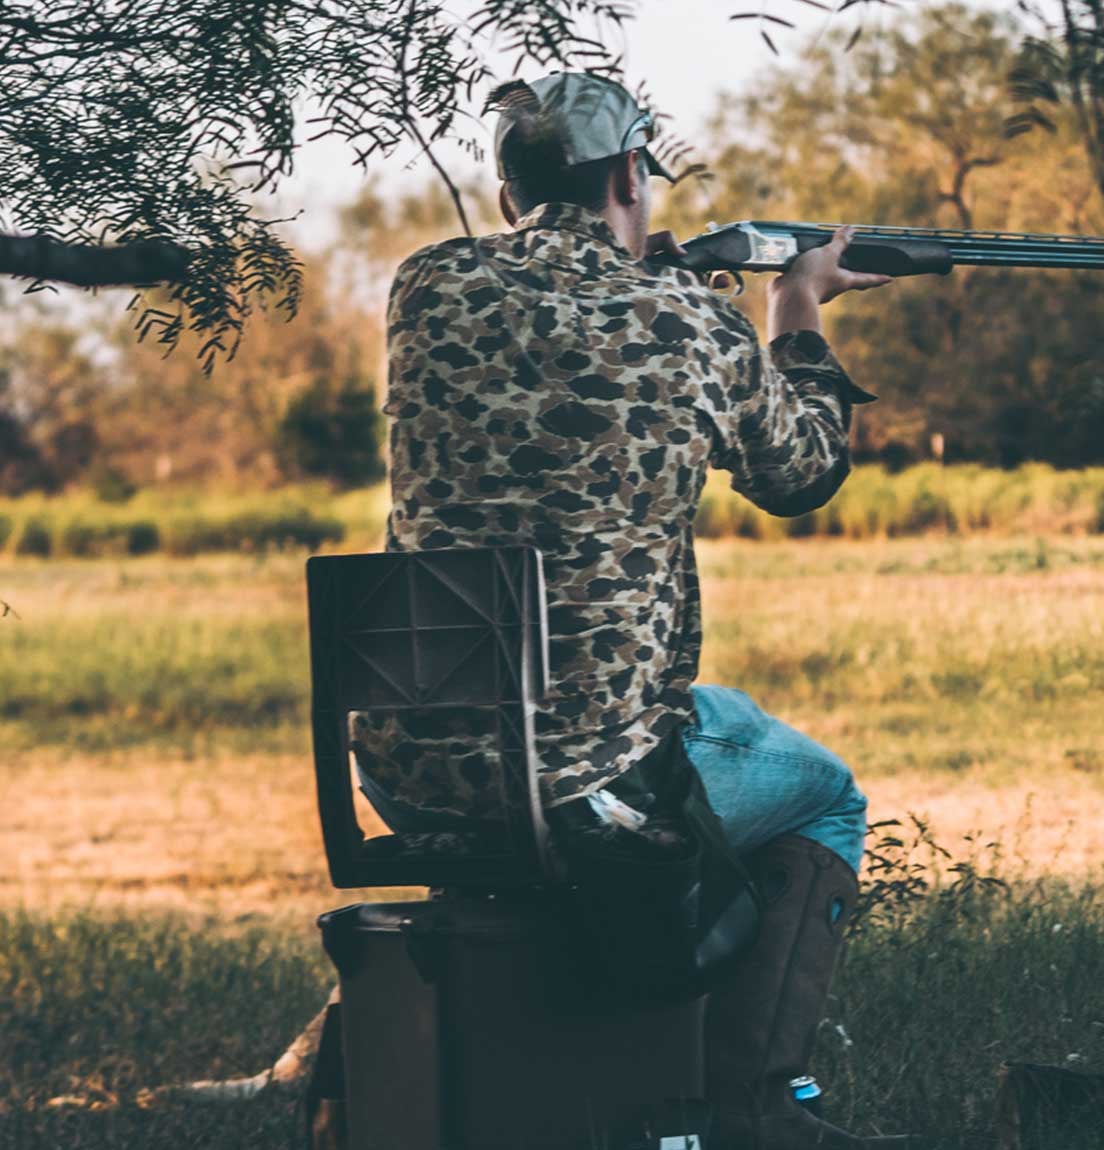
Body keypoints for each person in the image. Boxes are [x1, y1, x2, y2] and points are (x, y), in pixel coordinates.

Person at [350, 71, 897, 1150]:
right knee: (825, 793)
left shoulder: (424, 288)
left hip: (413, 769)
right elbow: (800, 474)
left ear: (509, 194)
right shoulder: (688, 318)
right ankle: (753, 1105)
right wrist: (792, 309)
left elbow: (547, 358)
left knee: (720, 709)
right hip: (587, 798)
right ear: (632, 175)